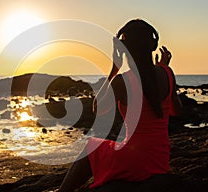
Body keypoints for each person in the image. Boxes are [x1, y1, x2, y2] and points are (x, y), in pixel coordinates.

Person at [58, 19, 182, 191]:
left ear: (124, 50)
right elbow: (177, 110)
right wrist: (164, 67)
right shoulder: (167, 73)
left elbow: (97, 108)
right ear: (153, 45)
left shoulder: (122, 82)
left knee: (92, 146)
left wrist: (114, 70)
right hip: (160, 161)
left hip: (134, 161)